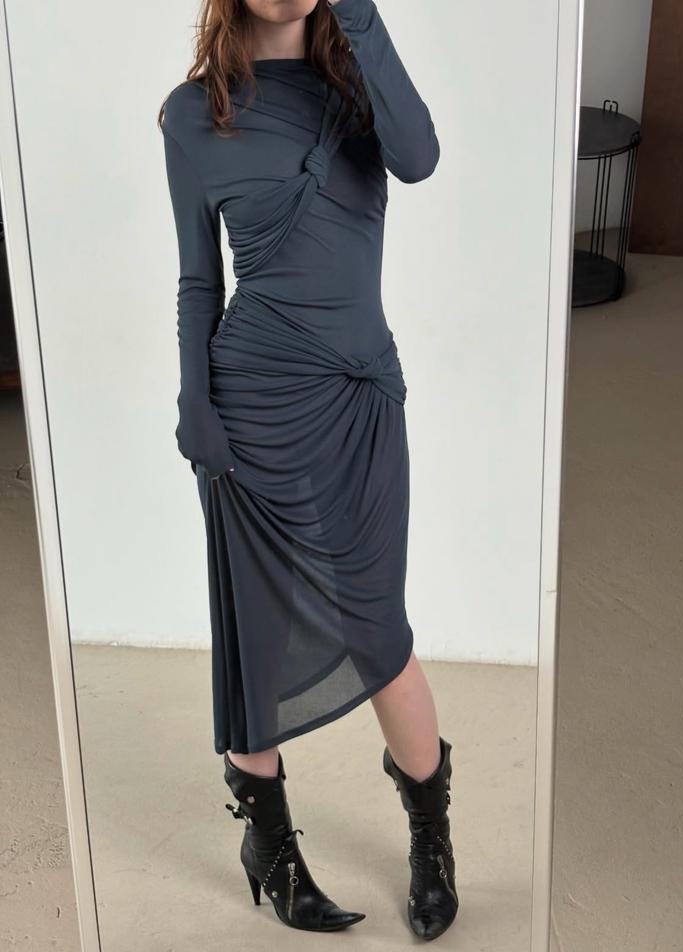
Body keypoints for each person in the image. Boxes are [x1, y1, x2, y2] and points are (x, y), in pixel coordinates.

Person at [159, 0, 457, 939]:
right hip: (250, 402)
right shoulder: (191, 113)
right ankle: (270, 845)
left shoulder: (359, 90)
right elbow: (199, 280)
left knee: (378, 629)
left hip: (359, 394)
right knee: (257, 630)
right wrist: (196, 404)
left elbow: (421, 157)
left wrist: (360, 15)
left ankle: (431, 834)